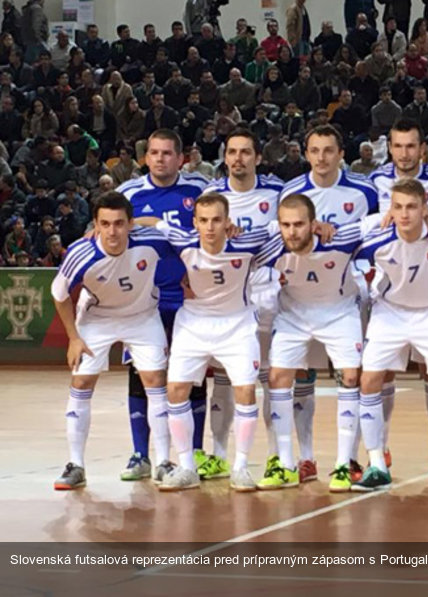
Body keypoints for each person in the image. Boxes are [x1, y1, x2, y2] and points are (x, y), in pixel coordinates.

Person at [133, 193, 276, 492]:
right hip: (194, 324)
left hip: (237, 324)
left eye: (216, 220)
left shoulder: (247, 244)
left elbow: (283, 231)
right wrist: (128, 222)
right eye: (204, 220)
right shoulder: (184, 240)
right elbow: (155, 222)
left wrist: (315, 226)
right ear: (195, 222)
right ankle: (186, 467)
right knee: (175, 390)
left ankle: (240, 468)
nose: (210, 227)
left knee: (246, 391)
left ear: (228, 222)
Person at [354, 178, 428, 492]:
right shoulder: (373, 232)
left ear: (424, 207)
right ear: (389, 209)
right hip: (389, 312)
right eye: (398, 207)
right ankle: (377, 463)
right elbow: (333, 236)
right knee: (368, 380)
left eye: (411, 207)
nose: (404, 214)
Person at [50, 192, 173, 490]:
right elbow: (59, 293)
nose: (112, 231)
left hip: (142, 316)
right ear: (95, 224)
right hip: (97, 318)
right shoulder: (81, 252)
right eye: (104, 224)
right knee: (81, 383)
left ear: (130, 224)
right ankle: (76, 464)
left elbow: (170, 230)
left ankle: (165, 462)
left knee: (156, 381)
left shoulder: (151, 240)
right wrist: (73, 337)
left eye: (120, 223)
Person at [280, 124, 378, 484]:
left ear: (341, 154)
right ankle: (305, 457)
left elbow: (380, 230)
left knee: (352, 374)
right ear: (306, 154)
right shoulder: (292, 192)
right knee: (301, 375)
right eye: (315, 150)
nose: (321, 157)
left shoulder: (363, 191)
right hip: (299, 296)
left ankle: (351, 457)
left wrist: (370, 277)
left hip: (346, 293)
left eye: (328, 150)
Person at [115, 129, 208, 481]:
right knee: (142, 375)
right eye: (153, 152)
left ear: (181, 157)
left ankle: (195, 452)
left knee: (192, 376)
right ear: (145, 157)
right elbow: (108, 230)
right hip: (145, 303)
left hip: (189, 300)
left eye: (167, 153)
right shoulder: (128, 193)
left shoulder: (199, 190)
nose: (159, 159)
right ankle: (141, 455)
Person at [257, 194, 365, 491]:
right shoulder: (273, 246)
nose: (292, 232)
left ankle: (344, 464)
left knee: (351, 377)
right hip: (293, 315)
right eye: (286, 225)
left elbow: (384, 222)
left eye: (299, 224)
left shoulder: (340, 239)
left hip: (340, 312)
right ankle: (287, 464)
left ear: (313, 223)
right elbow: (234, 249)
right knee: (278, 378)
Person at [198, 131, 286, 485]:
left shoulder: (277, 192)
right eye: (232, 152)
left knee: (268, 378)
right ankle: (219, 455)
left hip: (266, 292)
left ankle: (277, 458)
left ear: (258, 157)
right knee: (224, 377)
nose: (238, 159)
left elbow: (286, 234)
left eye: (246, 152)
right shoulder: (210, 196)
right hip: (226, 296)